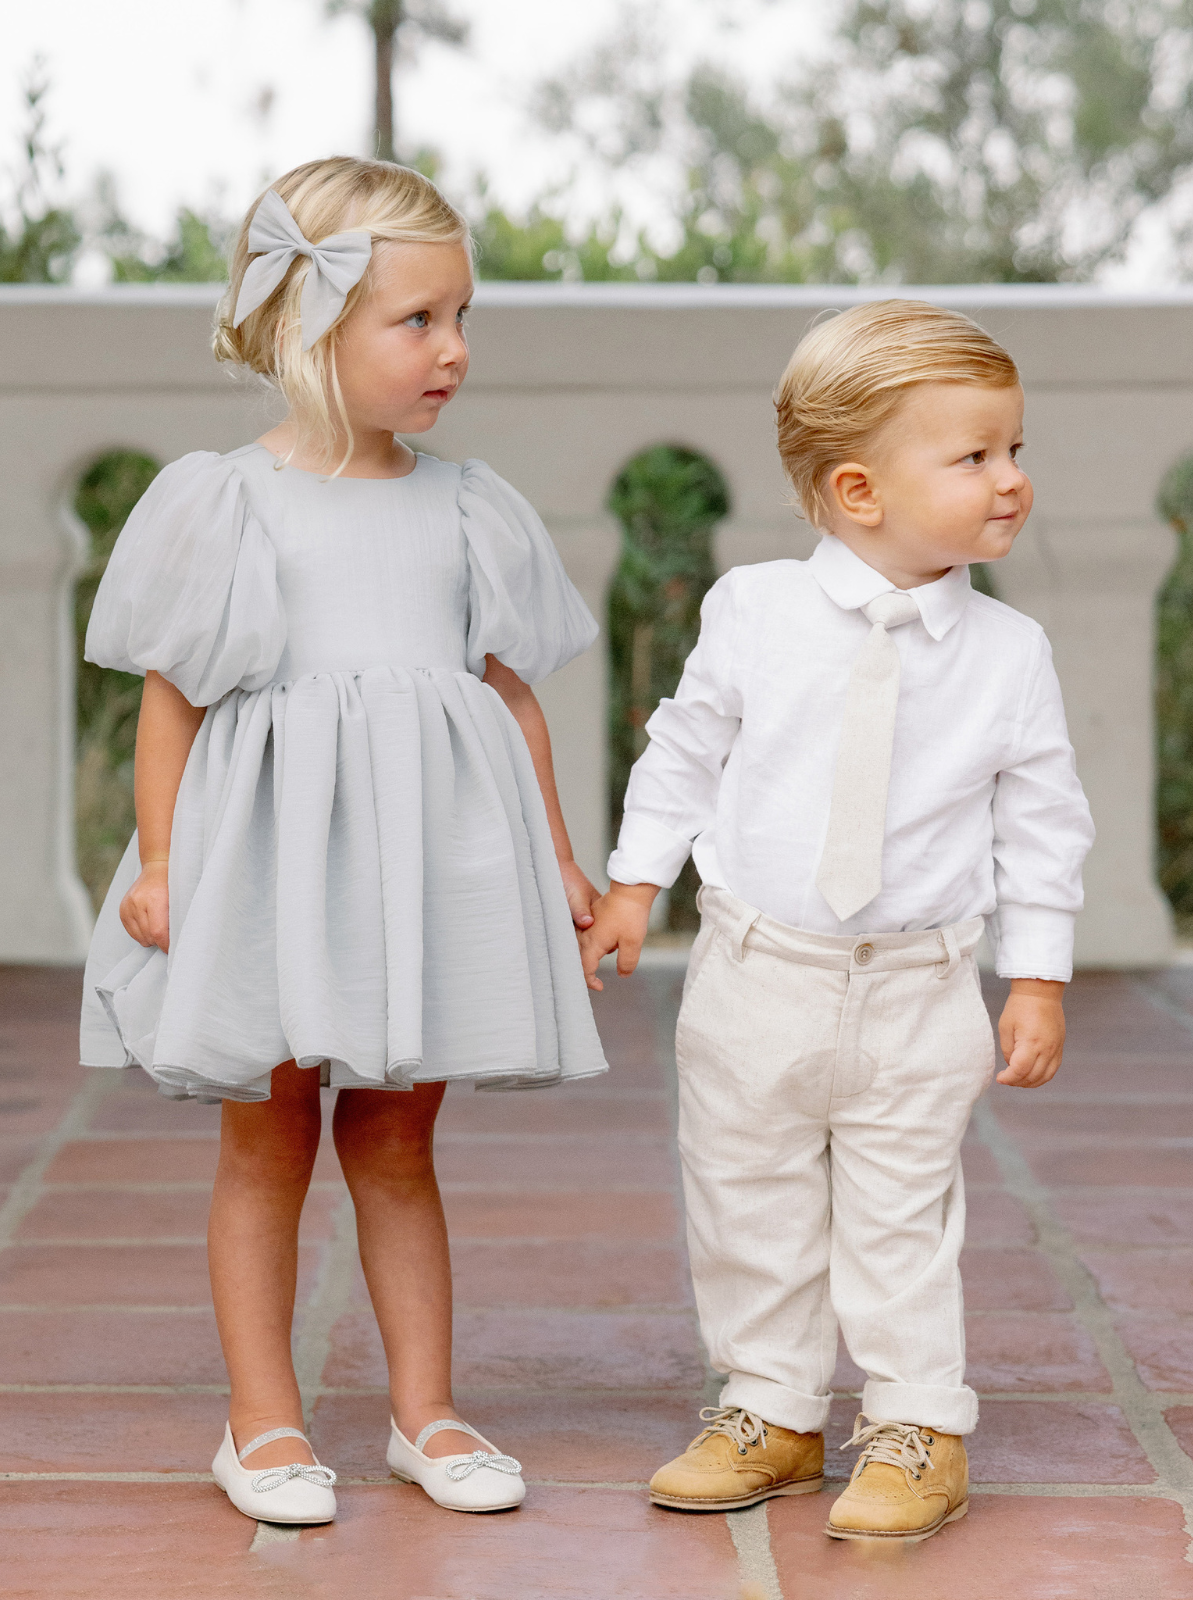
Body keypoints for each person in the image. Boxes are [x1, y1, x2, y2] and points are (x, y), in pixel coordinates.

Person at [79, 157, 608, 1525]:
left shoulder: (463, 502)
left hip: (414, 881)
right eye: (417, 320)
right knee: (267, 1147)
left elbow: (505, 692)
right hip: (270, 876)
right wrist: (159, 861)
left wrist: (552, 855)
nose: (454, 349)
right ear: (311, 328)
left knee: (395, 1145)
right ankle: (261, 1424)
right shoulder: (229, 502)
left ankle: (425, 1412)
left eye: (459, 315)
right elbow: (172, 701)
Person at [580, 300, 1094, 1544]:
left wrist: (1035, 975)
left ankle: (918, 1421)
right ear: (857, 489)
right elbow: (685, 750)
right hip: (757, 970)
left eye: (1013, 448)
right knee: (744, 1193)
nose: (1010, 479)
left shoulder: (1007, 652)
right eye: (972, 457)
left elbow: (1040, 823)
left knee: (899, 1209)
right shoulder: (752, 611)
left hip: (920, 982)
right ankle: (770, 1406)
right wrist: (635, 882)